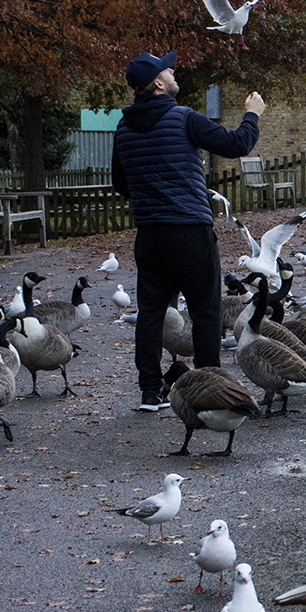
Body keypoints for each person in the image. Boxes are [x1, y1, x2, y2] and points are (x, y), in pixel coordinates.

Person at [111, 51, 265, 411]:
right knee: (205, 311)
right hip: (190, 231)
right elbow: (236, 144)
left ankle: (150, 391)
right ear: (160, 84)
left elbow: (121, 183)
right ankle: (209, 386)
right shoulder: (183, 119)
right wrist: (252, 114)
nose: (174, 69)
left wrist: (153, 186)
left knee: (151, 312)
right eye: (168, 68)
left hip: (149, 234)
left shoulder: (123, 128)